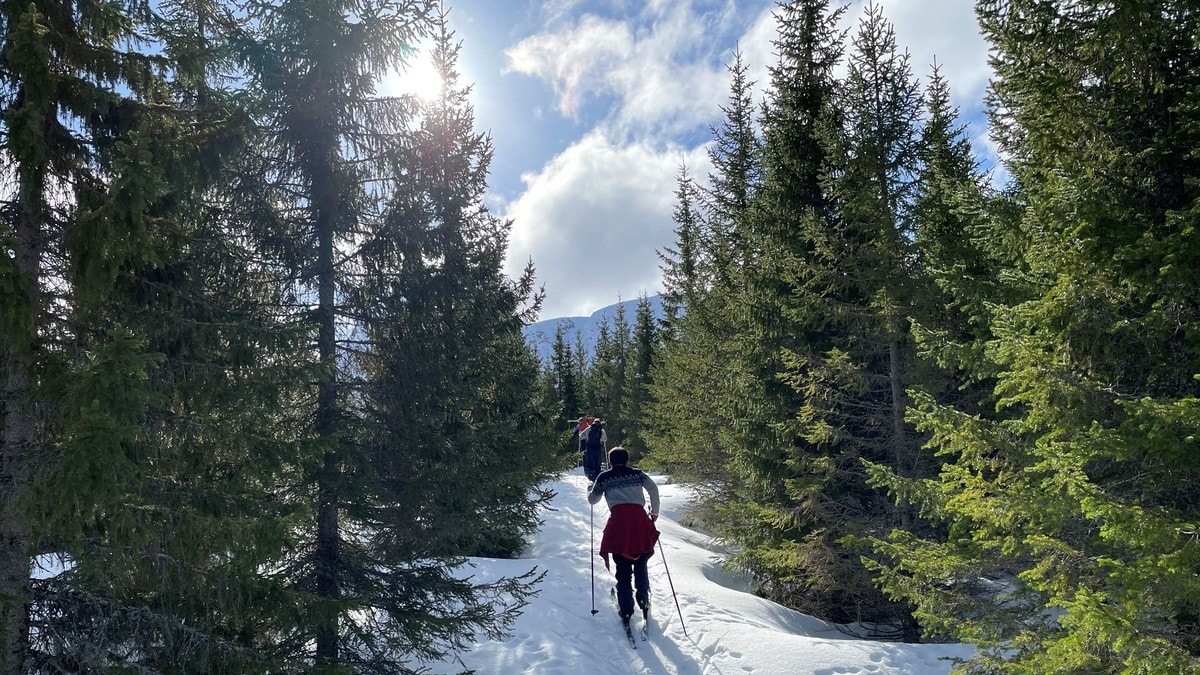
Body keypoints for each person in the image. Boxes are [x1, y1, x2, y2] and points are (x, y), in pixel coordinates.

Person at [588, 447, 660, 628]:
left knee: (623, 568)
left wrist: (591, 489)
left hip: (619, 525)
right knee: (641, 563)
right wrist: (654, 512)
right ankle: (643, 600)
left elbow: (592, 500)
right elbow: (653, 489)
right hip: (639, 522)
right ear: (627, 461)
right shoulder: (638, 474)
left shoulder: (604, 477)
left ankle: (626, 608)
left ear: (610, 462)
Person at [581, 417, 606, 483]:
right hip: (598, 447)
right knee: (598, 462)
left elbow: (581, 436)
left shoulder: (588, 429)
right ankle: (597, 476)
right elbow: (605, 439)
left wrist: (586, 437)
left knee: (590, 461)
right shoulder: (601, 430)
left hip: (589, 447)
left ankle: (591, 476)